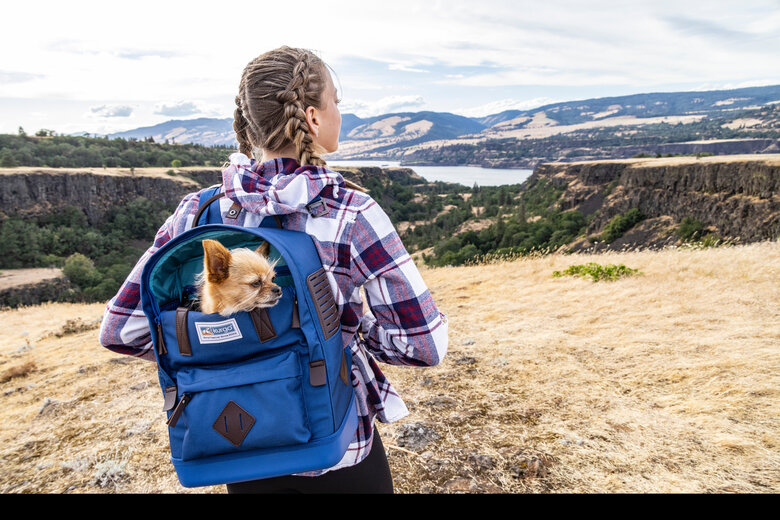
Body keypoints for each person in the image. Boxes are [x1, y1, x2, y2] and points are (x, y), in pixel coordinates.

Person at [98, 45, 448, 494]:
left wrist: (216, 350)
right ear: (313, 117)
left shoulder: (197, 212)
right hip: (339, 448)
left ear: (247, 123)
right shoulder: (351, 213)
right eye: (336, 101)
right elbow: (423, 345)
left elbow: (122, 332)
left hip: (240, 449)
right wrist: (345, 333)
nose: (339, 112)